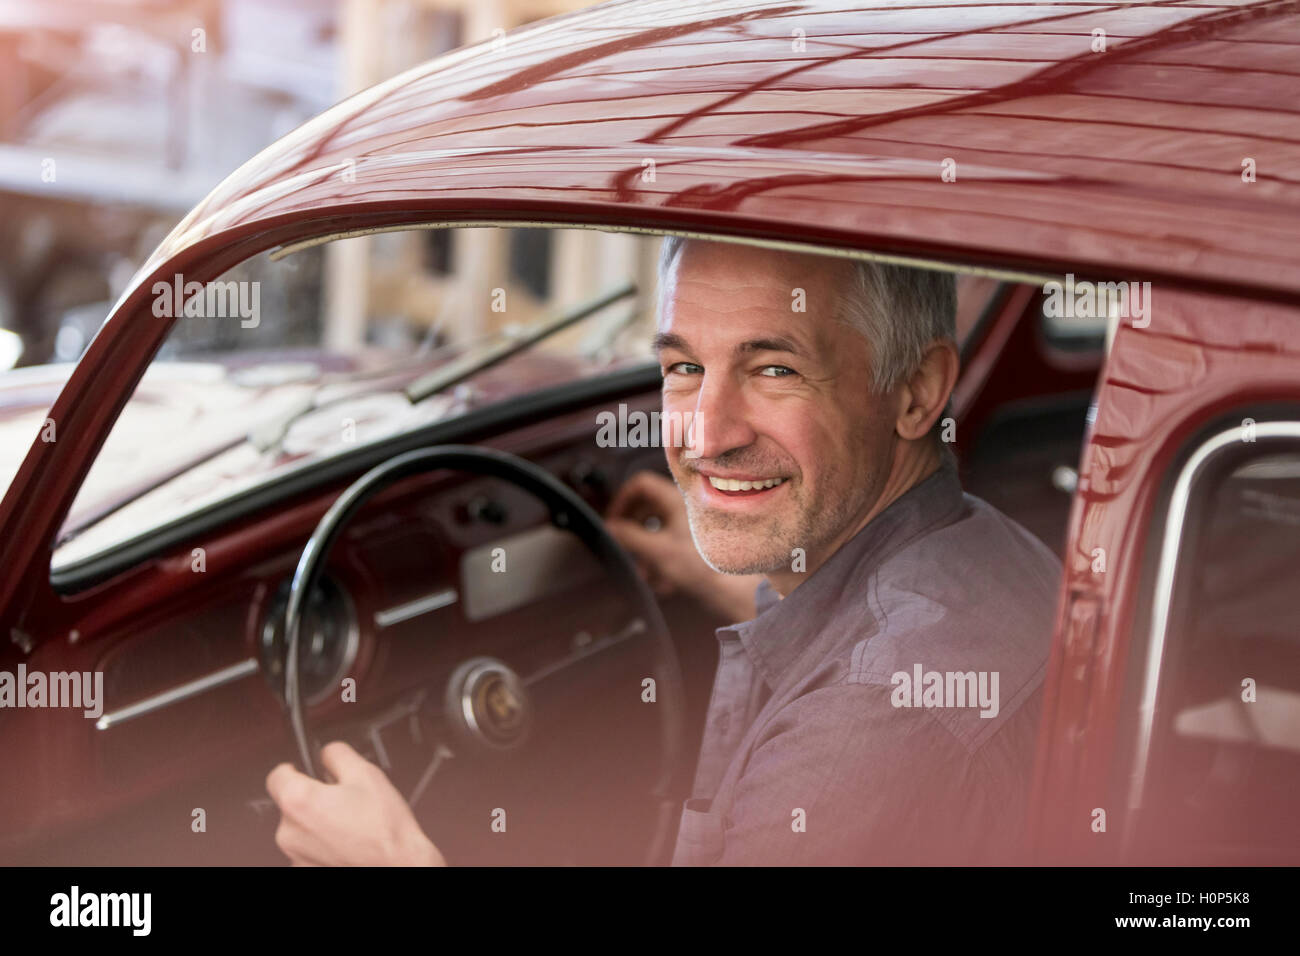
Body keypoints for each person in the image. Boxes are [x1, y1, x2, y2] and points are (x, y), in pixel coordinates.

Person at [265, 237, 1060, 866]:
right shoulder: (988, 556)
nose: (704, 435)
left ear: (917, 391)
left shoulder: (862, 733)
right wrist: (736, 588)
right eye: (685, 368)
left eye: (775, 369)